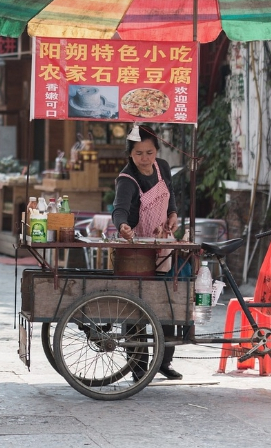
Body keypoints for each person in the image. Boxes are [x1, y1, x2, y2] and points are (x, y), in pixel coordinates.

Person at [112, 126, 182, 381]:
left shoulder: (162, 167)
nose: (145, 158)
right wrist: (122, 226)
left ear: (157, 152)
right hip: (135, 251)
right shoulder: (126, 179)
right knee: (136, 308)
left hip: (162, 244)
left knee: (166, 302)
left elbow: (170, 196)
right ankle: (138, 365)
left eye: (149, 152)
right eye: (139, 153)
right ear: (130, 154)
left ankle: (164, 361)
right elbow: (119, 209)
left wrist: (173, 214)